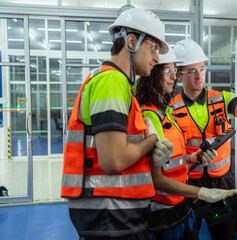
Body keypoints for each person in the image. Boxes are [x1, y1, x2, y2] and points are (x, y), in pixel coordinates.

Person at [60, 8, 174, 240]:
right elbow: (114, 160)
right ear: (131, 41)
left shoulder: (121, 85)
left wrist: (152, 152)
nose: (156, 58)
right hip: (111, 215)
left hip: (115, 215)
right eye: (153, 47)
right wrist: (152, 140)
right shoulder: (111, 81)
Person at [136, 44, 237, 240]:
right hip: (175, 198)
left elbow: (174, 158)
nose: (173, 77)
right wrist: (201, 192)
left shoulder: (167, 110)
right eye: (169, 71)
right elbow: (157, 174)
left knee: (225, 234)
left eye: (202, 69)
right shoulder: (161, 111)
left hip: (208, 184)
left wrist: (193, 156)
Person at [169, 39, 237, 240]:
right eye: (192, 71)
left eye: (202, 69)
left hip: (222, 182)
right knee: (187, 235)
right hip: (190, 185)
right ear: (179, 75)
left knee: (225, 235)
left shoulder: (222, 98)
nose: (199, 76)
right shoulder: (171, 108)